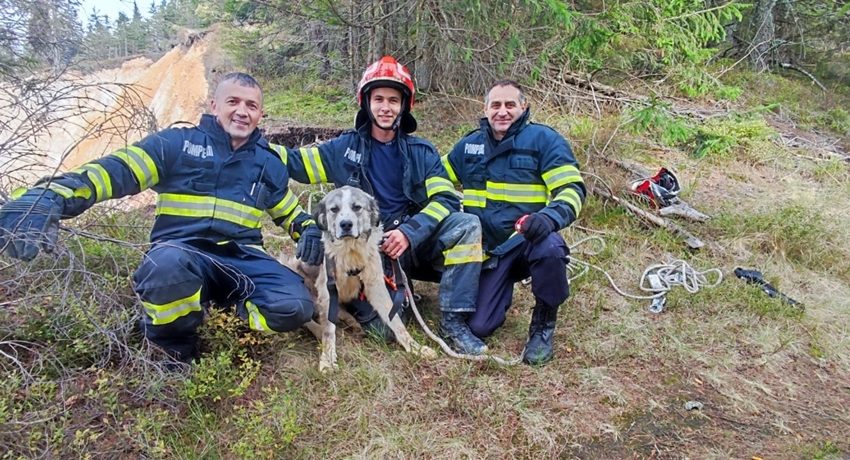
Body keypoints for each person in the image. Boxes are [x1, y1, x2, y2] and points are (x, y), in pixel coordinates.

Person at [0, 73, 323, 364]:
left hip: (241, 258)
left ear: (260, 114)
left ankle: (227, 313)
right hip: (181, 251)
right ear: (214, 106)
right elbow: (114, 172)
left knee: (295, 306)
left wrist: (307, 228)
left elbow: (288, 211)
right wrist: (50, 197)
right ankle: (174, 345)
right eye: (233, 102)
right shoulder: (175, 144)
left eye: (251, 105)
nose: (242, 111)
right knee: (165, 269)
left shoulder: (267, 162)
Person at [280, 56, 487, 355]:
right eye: (378, 99)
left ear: (404, 105)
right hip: (370, 251)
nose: (386, 107)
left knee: (466, 224)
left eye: (393, 99)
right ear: (366, 102)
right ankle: (392, 294)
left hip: (414, 241)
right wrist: (253, 145)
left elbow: (446, 199)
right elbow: (295, 163)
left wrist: (409, 233)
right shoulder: (344, 148)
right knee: (382, 331)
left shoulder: (423, 153)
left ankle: (453, 322)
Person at [442, 80, 586, 365]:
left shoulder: (544, 141)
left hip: (527, 242)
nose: (502, 112)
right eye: (496, 105)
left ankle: (543, 326)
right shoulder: (469, 145)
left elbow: (572, 189)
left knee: (552, 248)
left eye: (510, 105)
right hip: (489, 253)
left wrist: (548, 218)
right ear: (485, 109)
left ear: (524, 107)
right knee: (479, 326)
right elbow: (436, 176)